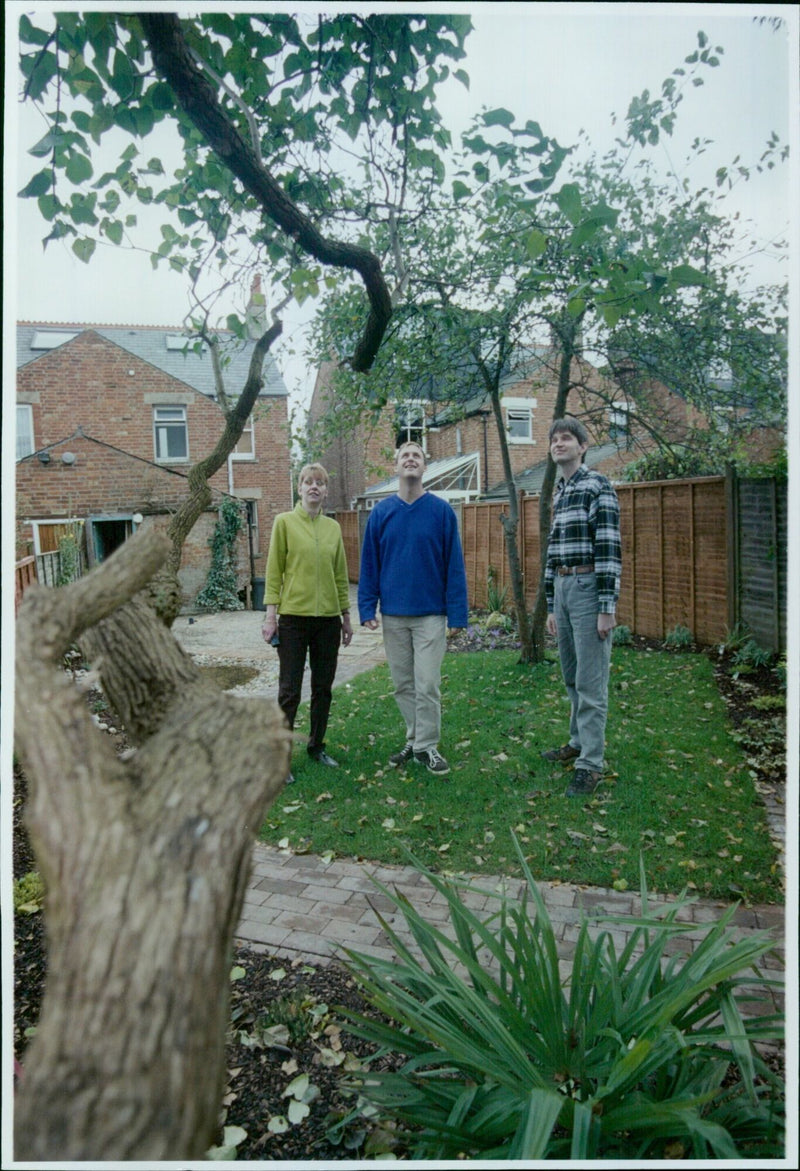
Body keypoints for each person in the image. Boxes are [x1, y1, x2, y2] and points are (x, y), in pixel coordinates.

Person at [358, 441, 468, 776]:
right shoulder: (381, 513)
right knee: (403, 684)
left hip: (430, 616)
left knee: (427, 684)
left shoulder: (441, 512)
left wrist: (457, 614)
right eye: (404, 455)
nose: (410, 459)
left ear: (424, 467)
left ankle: (428, 746)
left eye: (416, 456)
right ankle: (414, 738)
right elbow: (370, 565)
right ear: (396, 466)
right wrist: (367, 608)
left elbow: (454, 566)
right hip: (393, 615)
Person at [543, 417, 621, 798]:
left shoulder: (597, 485)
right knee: (572, 677)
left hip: (590, 588)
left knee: (591, 683)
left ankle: (591, 763)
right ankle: (577, 742)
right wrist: (551, 605)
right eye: (555, 439)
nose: (560, 444)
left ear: (583, 446)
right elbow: (553, 551)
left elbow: (608, 548)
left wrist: (607, 606)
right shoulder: (560, 491)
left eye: (567, 439)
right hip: (563, 586)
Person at [262, 463, 353, 781]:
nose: (314, 487)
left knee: (323, 688)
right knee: (289, 691)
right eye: (307, 482)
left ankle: (316, 746)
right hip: (293, 621)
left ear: (326, 491)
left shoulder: (333, 529)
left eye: (319, 483)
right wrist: (270, 616)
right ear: (299, 488)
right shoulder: (284, 523)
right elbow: (274, 572)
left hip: (328, 621)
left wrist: (346, 616)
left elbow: (340, 576)